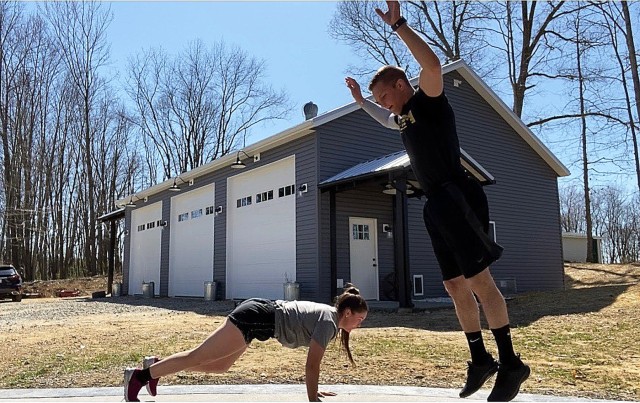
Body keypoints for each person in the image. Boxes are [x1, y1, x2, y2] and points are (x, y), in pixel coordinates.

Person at [344, 1, 529, 401]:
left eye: (383, 95)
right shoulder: (403, 119)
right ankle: (481, 359)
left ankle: (511, 363)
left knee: (480, 282)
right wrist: (362, 103)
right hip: (436, 205)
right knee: (454, 285)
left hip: (458, 195)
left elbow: (430, 66)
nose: (384, 103)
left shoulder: (428, 101)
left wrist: (400, 26)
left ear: (399, 85)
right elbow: (385, 119)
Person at [123, 285, 368, 402]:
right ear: (347, 312)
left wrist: (314, 391)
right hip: (257, 317)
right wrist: (312, 398)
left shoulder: (331, 320)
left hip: (260, 319)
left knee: (219, 367)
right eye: (359, 319)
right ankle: (140, 376)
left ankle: (157, 367)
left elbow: (312, 366)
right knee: (199, 356)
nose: (360, 324)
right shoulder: (329, 321)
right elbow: (311, 366)